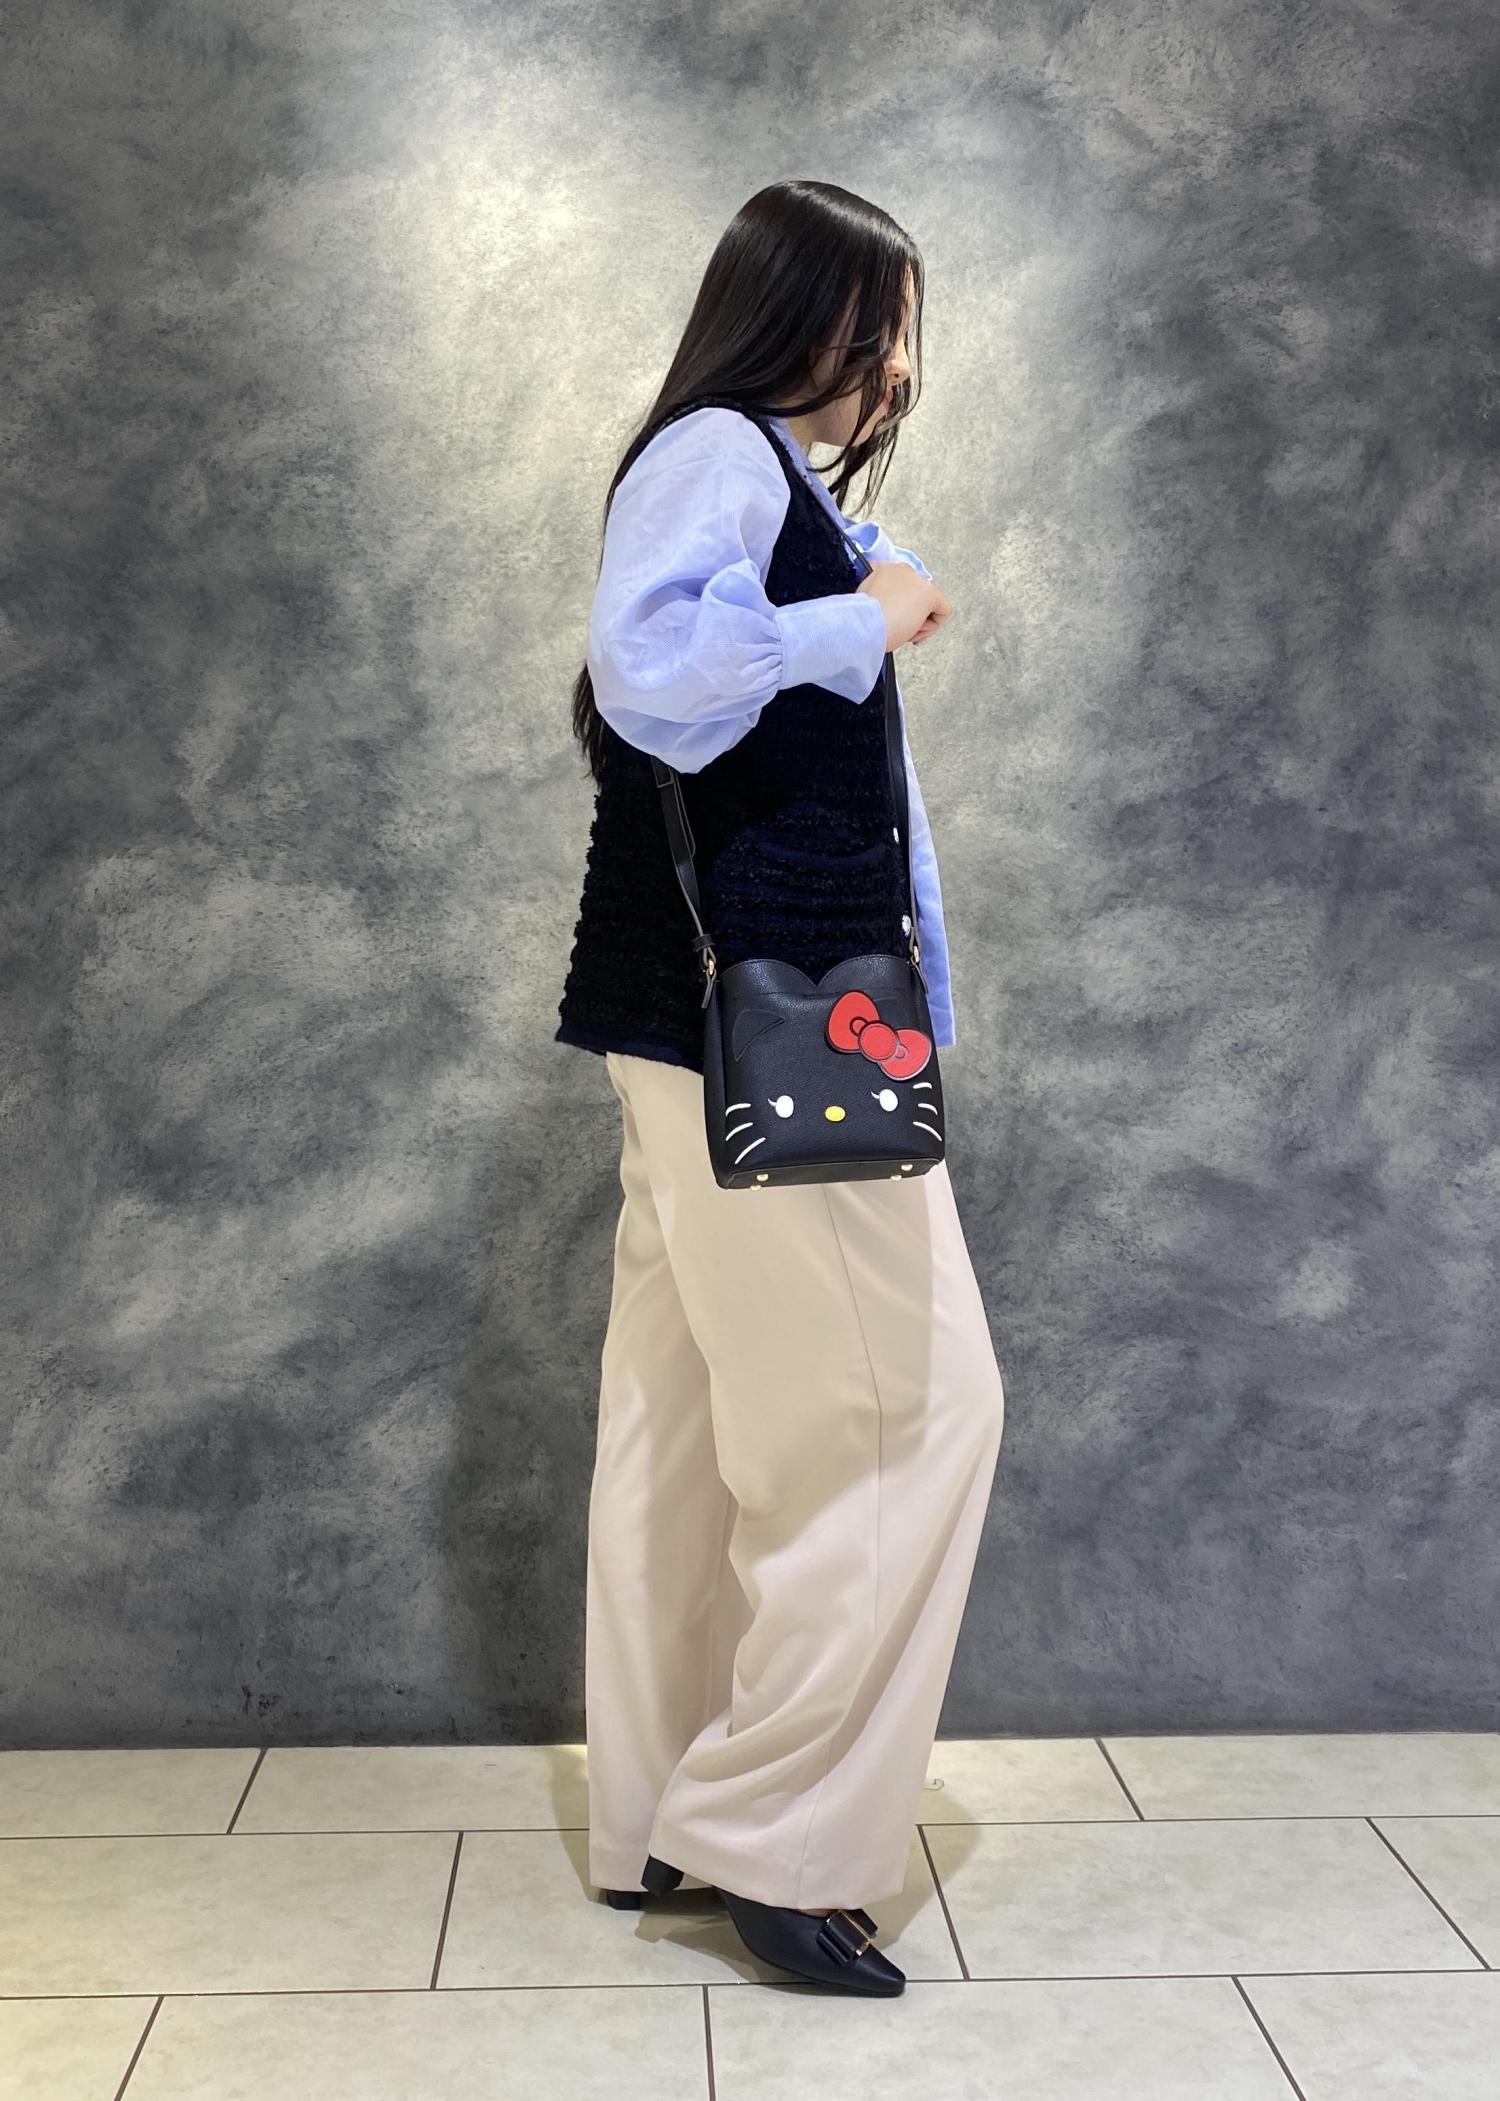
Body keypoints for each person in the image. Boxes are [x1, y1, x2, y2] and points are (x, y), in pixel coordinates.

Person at [554, 180, 1006, 1999]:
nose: (893, 365)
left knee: (684, 1421)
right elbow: (651, 675)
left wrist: (862, 587)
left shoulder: (759, 470)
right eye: (873, 323)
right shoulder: (721, 452)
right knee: (909, 1415)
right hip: (775, 1023)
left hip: (703, 1019)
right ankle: (781, 1834)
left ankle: (664, 1807)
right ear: (791, 314)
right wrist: (858, 622)